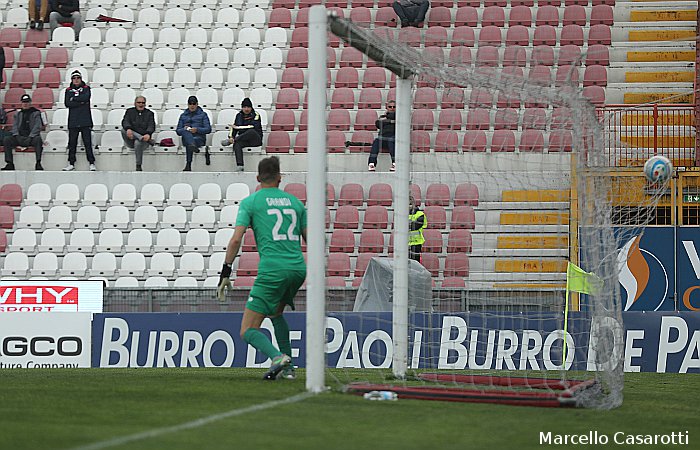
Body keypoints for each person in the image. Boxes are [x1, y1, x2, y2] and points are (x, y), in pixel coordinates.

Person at [217, 156, 306, 380]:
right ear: (280, 178)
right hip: (297, 269)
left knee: (247, 330)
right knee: (276, 313)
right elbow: (312, 239)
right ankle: (289, 370)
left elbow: (236, 239)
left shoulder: (251, 202)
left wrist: (226, 272)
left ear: (258, 178)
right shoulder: (296, 203)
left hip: (272, 269)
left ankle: (279, 358)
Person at [63, 70, 96, 171]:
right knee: (72, 143)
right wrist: (80, 102)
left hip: (85, 120)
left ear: (81, 79)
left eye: (78, 78)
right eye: (74, 78)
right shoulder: (68, 90)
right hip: (73, 120)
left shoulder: (86, 88)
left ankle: (91, 163)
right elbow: (67, 103)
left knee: (87, 143)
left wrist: (74, 99)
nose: (76, 80)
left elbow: (86, 98)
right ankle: (71, 163)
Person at [2, 95, 44, 171]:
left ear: (30, 103)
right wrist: (17, 136)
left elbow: (37, 126)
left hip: (31, 138)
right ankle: (9, 163)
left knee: (38, 140)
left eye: (27, 102)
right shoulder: (18, 114)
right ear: (21, 103)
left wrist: (31, 136)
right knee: (7, 140)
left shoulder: (36, 113)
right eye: (24, 102)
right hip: (19, 137)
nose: (25, 104)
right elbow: (14, 126)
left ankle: (38, 163)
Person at [220, 97, 263, 172]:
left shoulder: (256, 115)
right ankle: (240, 166)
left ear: (251, 107)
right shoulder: (239, 115)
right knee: (237, 144)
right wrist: (231, 137)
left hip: (255, 139)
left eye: (248, 107)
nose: (246, 109)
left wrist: (238, 127)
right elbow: (234, 127)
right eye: (244, 107)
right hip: (243, 139)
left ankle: (233, 140)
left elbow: (252, 126)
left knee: (251, 131)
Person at [176, 95, 212, 172]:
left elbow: (208, 129)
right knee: (186, 133)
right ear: (188, 104)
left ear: (197, 104)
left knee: (191, 143)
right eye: (190, 104)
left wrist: (197, 130)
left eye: (194, 104)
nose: (192, 106)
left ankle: (188, 164)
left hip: (199, 138)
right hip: (187, 138)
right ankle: (192, 145)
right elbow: (178, 131)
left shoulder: (203, 115)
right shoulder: (183, 116)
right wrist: (184, 129)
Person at [121, 95, 156, 172]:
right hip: (130, 138)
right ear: (135, 103)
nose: (141, 104)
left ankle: (138, 165)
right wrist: (128, 128)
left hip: (144, 140)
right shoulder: (129, 111)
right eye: (139, 102)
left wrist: (148, 133)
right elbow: (125, 121)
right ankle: (140, 137)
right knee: (123, 130)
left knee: (138, 142)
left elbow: (151, 125)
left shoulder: (150, 113)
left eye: (143, 103)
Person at [368, 100, 396, 172]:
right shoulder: (382, 116)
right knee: (376, 141)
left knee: (391, 140)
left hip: (394, 138)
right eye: (390, 107)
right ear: (387, 107)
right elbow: (378, 124)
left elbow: (394, 118)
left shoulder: (399, 116)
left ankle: (395, 163)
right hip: (383, 137)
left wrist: (386, 121)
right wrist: (391, 121)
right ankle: (372, 163)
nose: (392, 108)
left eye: (394, 107)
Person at [408, 194, 426, 262]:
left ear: (413, 204)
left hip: (416, 244)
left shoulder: (420, 214)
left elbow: (415, 226)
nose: (409, 206)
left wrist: (406, 224)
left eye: (410, 204)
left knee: (415, 264)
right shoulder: (401, 214)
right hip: (403, 244)